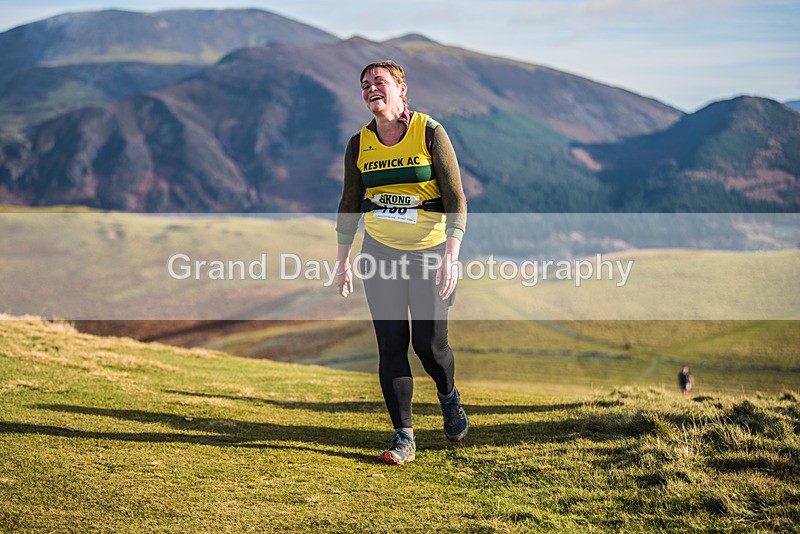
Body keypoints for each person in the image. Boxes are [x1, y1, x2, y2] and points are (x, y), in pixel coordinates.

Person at [334, 60, 468, 465]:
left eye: (379, 82)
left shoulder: (429, 132)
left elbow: (456, 200)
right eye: (364, 85)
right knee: (391, 346)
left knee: (429, 347)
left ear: (401, 89)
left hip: (429, 253)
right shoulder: (359, 144)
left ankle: (449, 397)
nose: (371, 88)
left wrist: (451, 257)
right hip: (380, 253)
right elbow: (349, 204)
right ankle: (404, 436)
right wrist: (343, 262)